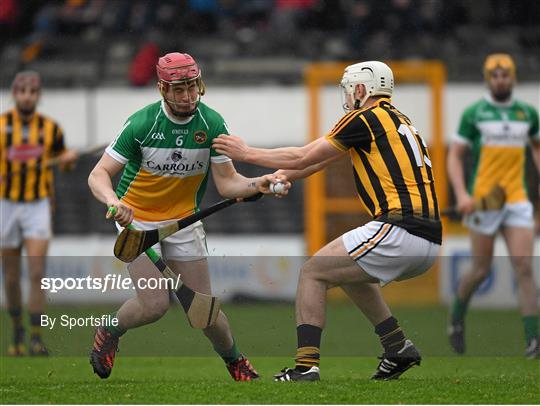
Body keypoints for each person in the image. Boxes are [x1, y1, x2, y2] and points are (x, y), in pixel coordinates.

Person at [213, 61, 442, 381]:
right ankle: (397, 347)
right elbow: (311, 163)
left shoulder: (364, 117)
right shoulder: (395, 120)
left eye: (350, 90)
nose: (347, 97)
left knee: (312, 272)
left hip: (400, 229)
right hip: (428, 238)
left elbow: (303, 155)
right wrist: (271, 179)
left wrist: (247, 153)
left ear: (361, 90)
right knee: (350, 274)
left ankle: (306, 367)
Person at [87, 52, 290, 381]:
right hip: (136, 220)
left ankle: (234, 360)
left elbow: (228, 185)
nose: (186, 96)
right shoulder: (142, 123)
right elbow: (98, 174)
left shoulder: (212, 124)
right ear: (162, 89)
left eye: (192, 87)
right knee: (154, 306)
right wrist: (114, 202)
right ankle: (109, 329)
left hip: (184, 220)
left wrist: (259, 183)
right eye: (178, 89)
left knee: (205, 312)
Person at [446, 53, 540, 359]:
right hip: (483, 201)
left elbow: (537, 149)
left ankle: (533, 341)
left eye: (506, 75)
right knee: (481, 269)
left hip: (515, 199)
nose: (501, 80)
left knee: (524, 267)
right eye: (495, 75)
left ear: (513, 77)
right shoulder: (475, 113)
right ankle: (457, 316)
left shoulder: (527, 113)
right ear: (488, 79)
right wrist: (461, 194)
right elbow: (455, 156)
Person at [1, 71, 78, 356]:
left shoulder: (50, 129)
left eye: (32, 91)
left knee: (35, 272)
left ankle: (35, 336)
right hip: (5, 204)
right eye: (22, 91)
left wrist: (67, 159)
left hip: (38, 204)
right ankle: (17, 330)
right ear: (14, 93)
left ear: (38, 95)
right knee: (10, 277)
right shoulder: (1, 126)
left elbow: (65, 165)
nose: (27, 96)